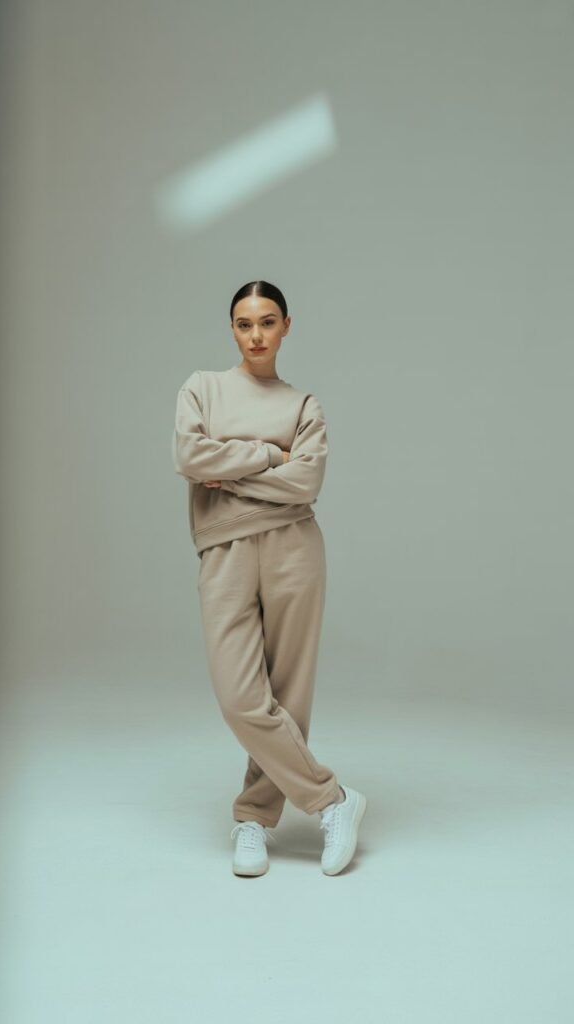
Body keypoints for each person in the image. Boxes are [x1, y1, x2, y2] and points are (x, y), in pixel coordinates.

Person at [172, 280, 367, 876]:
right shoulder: (201, 388)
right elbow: (189, 456)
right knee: (242, 699)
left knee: (288, 695)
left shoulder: (304, 404)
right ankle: (333, 799)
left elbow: (305, 484)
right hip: (224, 549)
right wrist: (269, 456)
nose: (255, 334)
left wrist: (228, 468)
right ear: (232, 329)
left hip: (294, 550)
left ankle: (254, 818)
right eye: (243, 323)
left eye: (267, 322)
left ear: (286, 326)